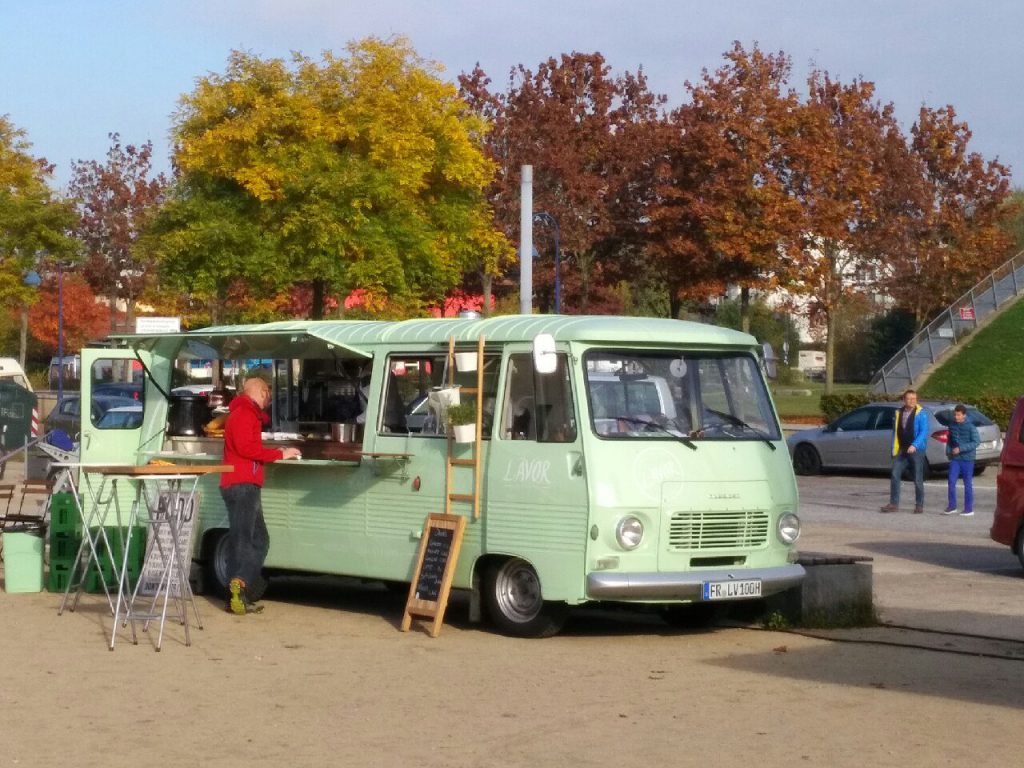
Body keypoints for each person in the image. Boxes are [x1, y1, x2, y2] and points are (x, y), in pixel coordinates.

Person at [220, 376, 301, 615]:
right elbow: (247, 449)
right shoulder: (245, 414)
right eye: (267, 393)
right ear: (262, 392)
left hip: (238, 483)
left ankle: (238, 593)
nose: (268, 398)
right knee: (251, 540)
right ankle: (239, 582)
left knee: (248, 538)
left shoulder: (241, 412)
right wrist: (280, 453)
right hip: (243, 483)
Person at [880, 389, 929, 514]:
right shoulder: (898, 413)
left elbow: (924, 432)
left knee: (917, 478)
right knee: (895, 474)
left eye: (914, 398)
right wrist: (894, 448)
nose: (912, 401)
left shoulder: (921, 413)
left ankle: (919, 505)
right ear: (904, 400)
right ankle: (893, 504)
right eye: (909, 398)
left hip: (916, 450)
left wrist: (915, 445)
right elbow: (895, 432)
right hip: (902, 449)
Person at [942, 404, 980, 517]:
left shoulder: (971, 427)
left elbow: (976, 442)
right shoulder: (952, 425)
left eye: (958, 415)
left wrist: (961, 448)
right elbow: (950, 440)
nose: (956, 417)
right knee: (951, 481)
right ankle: (952, 506)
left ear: (964, 415)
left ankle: (969, 509)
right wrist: (949, 451)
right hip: (955, 459)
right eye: (955, 415)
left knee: (967, 483)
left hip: (968, 459)